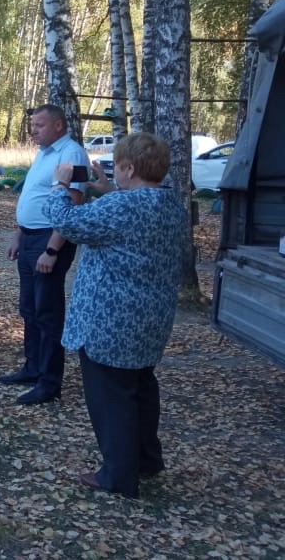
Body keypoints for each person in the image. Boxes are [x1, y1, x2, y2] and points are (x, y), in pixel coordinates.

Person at [46, 133, 188, 498]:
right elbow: (130, 223)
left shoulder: (122, 208)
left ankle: (118, 475)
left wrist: (61, 183)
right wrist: (110, 191)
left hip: (110, 320)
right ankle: (146, 459)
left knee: (112, 397)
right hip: (149, 318)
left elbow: (64, 220)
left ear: (128, 167)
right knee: (140, 387)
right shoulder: (170, 203)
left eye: (117, 165)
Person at [2, 104, 90, 405]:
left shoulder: (71, 154)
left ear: (58, 125)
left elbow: (72, 203)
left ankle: (50, 383)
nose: (33, 130)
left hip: (48, 240)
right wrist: (18, 233)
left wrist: (53, 249)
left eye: (39, 125)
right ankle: (33, 367)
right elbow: (33, 196)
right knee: (28, 308)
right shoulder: (44, 152)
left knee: (48, 312)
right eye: (33, 125)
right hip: (29, 238)